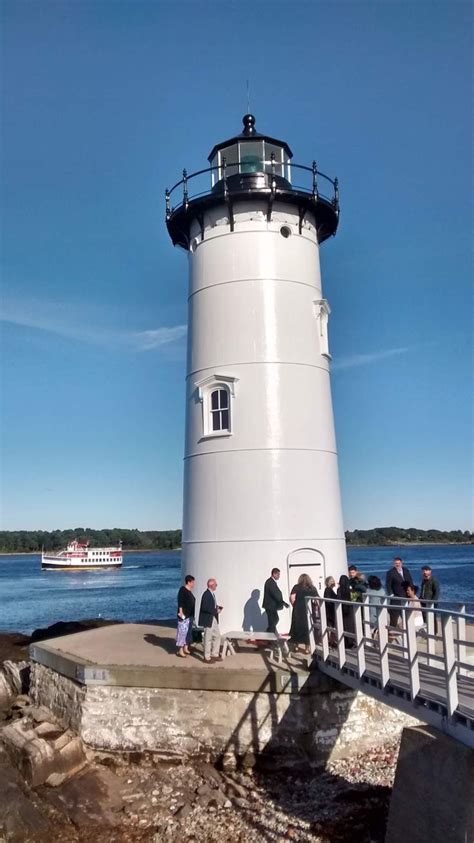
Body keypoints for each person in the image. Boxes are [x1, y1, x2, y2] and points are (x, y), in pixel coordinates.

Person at [289, 573, 319, 653]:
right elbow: (317, 600)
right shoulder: (312, 588)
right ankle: (307, 648)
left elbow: (292, 598)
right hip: (309, 611)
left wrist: (295, 606)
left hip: (298, 610)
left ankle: (296, 646)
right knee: (308, 628)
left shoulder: (296, 587)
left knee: (296, 627)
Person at [198, 578, 223, 663]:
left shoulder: (211, 594)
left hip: (213, 618)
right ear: (211, 585)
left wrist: (217, 608)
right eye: (216, 585)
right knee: (208, 638)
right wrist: (215, 610)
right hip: (208, 618)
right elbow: (205, 607)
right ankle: (207, 657)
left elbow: (210, 605)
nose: (216, 586)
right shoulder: (206, 594)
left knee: (217, 635)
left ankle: (214, 654)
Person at [385, 557, 413, 629]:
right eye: (396, 563)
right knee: (394, 616)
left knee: (407, 616)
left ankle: (408, 630)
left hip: (407, 596)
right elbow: (388, 585)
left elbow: (410, 581)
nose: (397, 565)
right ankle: (391, 632)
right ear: (394, 564)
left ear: (401, 563)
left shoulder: (406, 570)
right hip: (396, 597)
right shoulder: (390, 573)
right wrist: (391, 594)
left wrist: (412, 591)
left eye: (399, 563)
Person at [262, 568, 289, 634]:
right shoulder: (270, 582)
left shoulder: (271, 582)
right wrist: (282, 602)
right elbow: (275, 593)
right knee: (273, 621)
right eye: (278, 574)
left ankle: (270, 634)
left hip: (272, 606)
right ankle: (270, 636)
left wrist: (283, 602)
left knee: (274, 620)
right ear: (274, 574)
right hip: (270, 606)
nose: (279, 576)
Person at [176, 574, 196, 658]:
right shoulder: (182, 590)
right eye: (193, 582)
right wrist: (181, 612)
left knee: (188, 632)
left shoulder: (189, 591)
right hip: (184, 615)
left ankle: (186, 647)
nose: (194, 584)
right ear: (189, 582)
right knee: (182, 632)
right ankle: (180, 650)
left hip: (190, 615)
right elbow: (180, 601)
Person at [419, 565, 440, 630]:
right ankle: (428, 631)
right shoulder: (423, 580)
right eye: (423, 571)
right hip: (423, 602)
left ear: (430, 571)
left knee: (432, 617)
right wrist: (420, 598)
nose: (425, 572)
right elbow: (422, 590)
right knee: (425, 617)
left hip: (431, 602)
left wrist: (433, 602)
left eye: (426, 570)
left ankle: (434, 632)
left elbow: (437, 592)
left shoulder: (434, 580)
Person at [337, 574, 355, 648]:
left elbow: (338, 598)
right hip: (350, 609)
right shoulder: (350, 589)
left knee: (343, 626)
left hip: (342, 609)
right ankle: (351, 641)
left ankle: (344, 642)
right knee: (350, 626)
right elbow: (353, 599)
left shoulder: (339, 590)